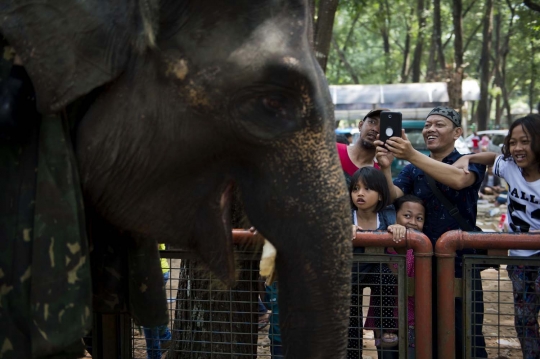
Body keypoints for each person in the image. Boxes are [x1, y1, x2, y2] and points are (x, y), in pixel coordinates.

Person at [375, 106, 487, 358]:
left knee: (464, 335)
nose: (430, 129)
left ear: (457, 131)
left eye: (439, 124)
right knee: (422, 333)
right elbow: (393, 196)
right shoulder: (414, 169)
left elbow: (459, 180)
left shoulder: (470, 161)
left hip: (460, 266)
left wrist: (411, 153)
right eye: (427, 125)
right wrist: (385, 167)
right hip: (419, 266)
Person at [452, 114, 540, 358]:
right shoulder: (510, 167)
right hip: (520, 257)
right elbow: (493, 158)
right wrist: (468, 157)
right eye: (513, 142)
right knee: (524, 318)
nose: (518, 148)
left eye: (526, 141)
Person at [349, 167, 398, 359]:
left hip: (378, 270)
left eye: (368, 189)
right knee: (351, 320)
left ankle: (387, 327)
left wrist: (397, 228)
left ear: (380, 195)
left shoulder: (387, 214)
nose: (360, 193)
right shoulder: (347, 214)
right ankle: (352, 352)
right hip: (353, 273)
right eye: (355, 189)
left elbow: (399, 229)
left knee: (386, 278)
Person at [382, 195, 425, 359]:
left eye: (419, 218)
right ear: (394, 217)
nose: (413, 222)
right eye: (407, 216)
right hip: (385, 323)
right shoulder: (384, 241)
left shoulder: (422, 251)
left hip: (413, 324)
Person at [337, 108, 389, 187]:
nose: (375, 129)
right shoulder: (333, 151)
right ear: (360, 125)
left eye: (383, 127)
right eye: (372, 122)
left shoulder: (377, 175)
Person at [143, 244, 172, 359]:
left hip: (153, 273)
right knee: (151, 310)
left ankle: (154, 355)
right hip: (154, 272)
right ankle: (165, 336)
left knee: (147, 315)